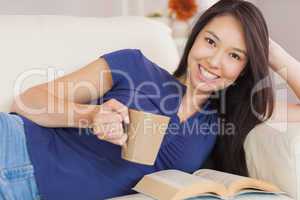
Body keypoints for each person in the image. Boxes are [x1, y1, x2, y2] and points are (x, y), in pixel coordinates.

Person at [1, 0, 299, 199]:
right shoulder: (134, 65)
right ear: (195, 37)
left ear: (245, 67)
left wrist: (274, 54)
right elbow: (27, 101)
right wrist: (90, 116)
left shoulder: (225, 116)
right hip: (12, 147)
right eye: (211, 41)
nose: (215, 61)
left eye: (235, 55)